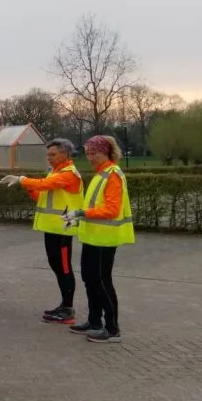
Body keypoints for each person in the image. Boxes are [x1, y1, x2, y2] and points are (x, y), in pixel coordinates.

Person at [0, 138, 84, 325]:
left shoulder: (68, 174)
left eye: (53, 154)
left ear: (66, 154)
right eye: (47, 154)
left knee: (63, 268)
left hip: (63, 228)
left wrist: (22, 180)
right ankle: (64, 306)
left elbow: (46, 185)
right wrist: (29, 187)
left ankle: (68, 309)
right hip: (52, 228)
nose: (48, 158)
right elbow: (43, 196)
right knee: (57, 266)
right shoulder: (55, 172)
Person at [62, 135, 134, 343]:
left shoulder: (112, 174)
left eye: (95, 153)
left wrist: (81, 214)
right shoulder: (101, 174)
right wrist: (77, 218)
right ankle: (94, 321)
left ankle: (112, 329)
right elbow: (96, 207)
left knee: (101, 282)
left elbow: (111, 210)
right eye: (88, 153)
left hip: (105, 239)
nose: (91, 157)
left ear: (107, 152)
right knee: (90, 279)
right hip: (94, 237)